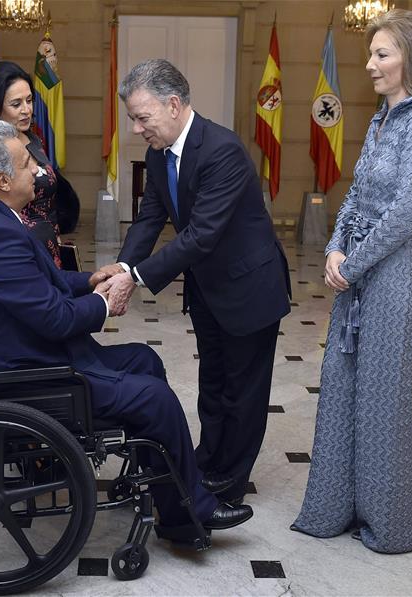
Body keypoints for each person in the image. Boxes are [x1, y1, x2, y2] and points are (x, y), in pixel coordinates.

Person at [0, 120, 254, 535]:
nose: (37, 170)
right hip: (32, 375)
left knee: (145, 359)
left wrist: (89, 279)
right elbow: (55, 318)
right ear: (1, 179)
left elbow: (38, 286)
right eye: (24, 164)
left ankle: (164, 487)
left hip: (29, 356)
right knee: (156, 398)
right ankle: (187, 515)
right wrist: (106, 302)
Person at [291, 9, 412, 554]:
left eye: (382, 54)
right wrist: (336, 246)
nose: (370, 65)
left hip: (394, 278)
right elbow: (358, 195)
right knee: (341, 388)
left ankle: (395, 525)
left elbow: (409, 210)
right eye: (371, 54)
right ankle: (335, 508)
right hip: (356, 273)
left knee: (383, 401)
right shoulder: (381, 119)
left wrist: (352, 263)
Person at [98, 59, 292, 506]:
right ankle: (207, 459)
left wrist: (139, 280)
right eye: (131, 118)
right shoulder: (157, 152)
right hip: (208, 289)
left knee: (243, 391)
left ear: (173, 104)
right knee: (214, 382)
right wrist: (124, 267)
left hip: (249, 289)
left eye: (141, 117)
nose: (136, 127)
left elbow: (201, 234)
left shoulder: (221, 149)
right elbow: (151, 217)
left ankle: (229, 479)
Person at [0, 61, 71, 267]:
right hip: (14, 252)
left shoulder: (34, 140)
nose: (27, 110)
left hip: (49, 248)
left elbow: (49, 199)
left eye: (29, 100)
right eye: (16, 104)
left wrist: (55, 236)